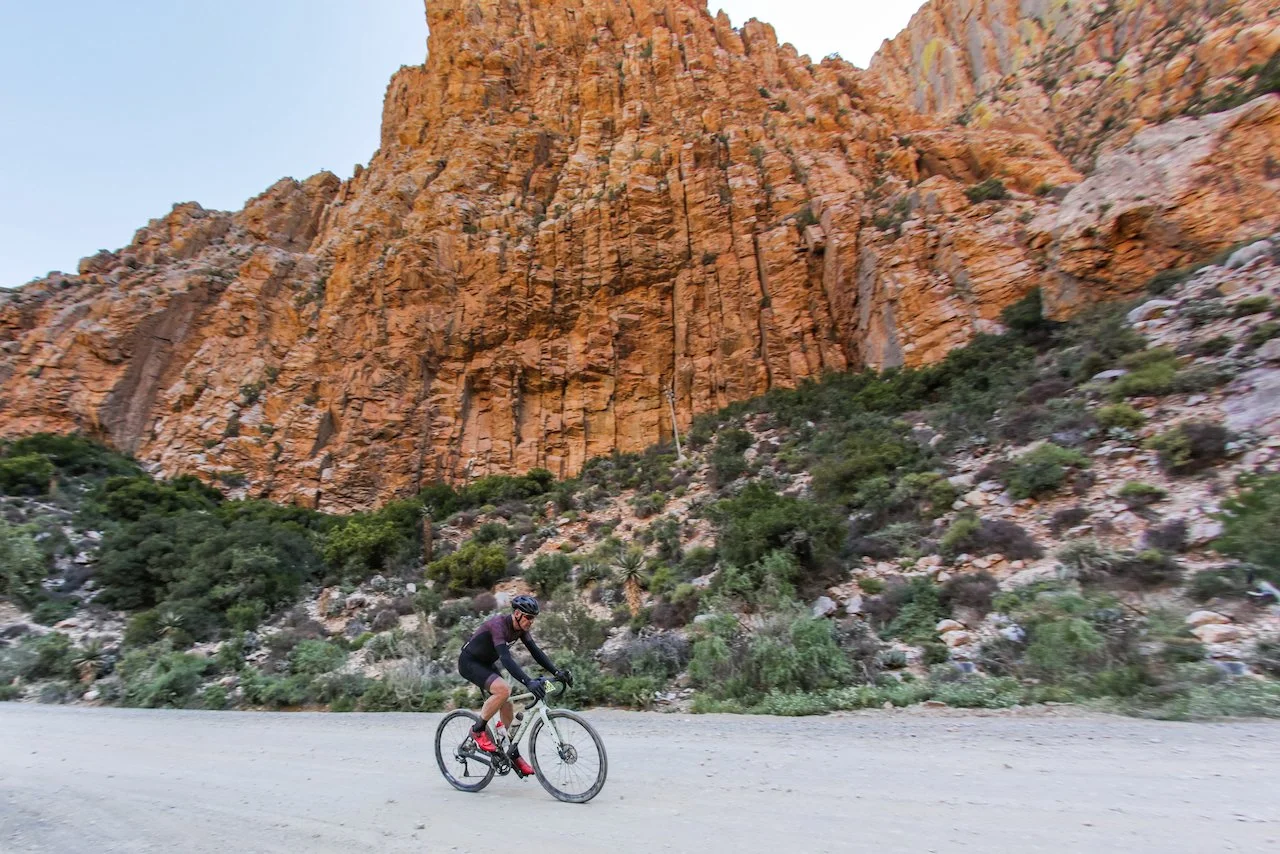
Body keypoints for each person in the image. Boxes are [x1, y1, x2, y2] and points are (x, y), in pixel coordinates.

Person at [456, 594, 570, 777]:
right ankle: (478, 731)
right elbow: (506, 659)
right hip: (469, 662)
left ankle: (510, 751)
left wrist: (557, 672)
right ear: (517, 613)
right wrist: (528, 682)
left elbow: (536, 652)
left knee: (506, 702)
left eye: (534, 618)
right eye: (528, 617)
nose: (531, 622)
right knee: (503, 690)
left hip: (485, 663)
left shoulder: (521, 629)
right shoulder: (498, 625)